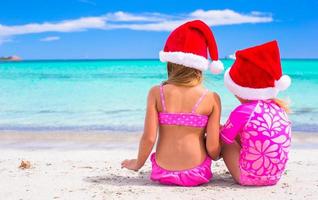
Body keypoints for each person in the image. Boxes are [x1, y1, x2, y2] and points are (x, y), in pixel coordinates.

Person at [121, 20, 223, 186]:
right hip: (197, 172)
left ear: (170, 62)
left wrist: (137, 163)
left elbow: (149, 138)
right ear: (200, 65)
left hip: (162, 170)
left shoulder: (156, 93)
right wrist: (220, 152)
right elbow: (212, 148)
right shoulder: (211, 98)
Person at [221, 40, 292, 186]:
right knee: (247, 134)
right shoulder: (279, 108)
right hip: (275, 177)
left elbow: (224, 140)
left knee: (225, 142)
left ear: (242, 90)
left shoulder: (242, 111)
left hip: (247, 177)